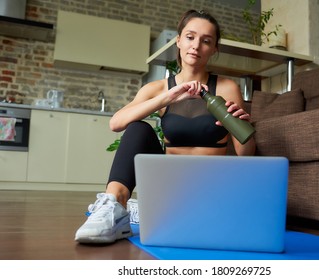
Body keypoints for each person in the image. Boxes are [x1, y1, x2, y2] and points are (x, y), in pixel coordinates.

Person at [75, 9, 256, 243]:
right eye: (190, 37)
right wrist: (168, 98)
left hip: (210, 187)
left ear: (214, 49)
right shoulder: (157, 88)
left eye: (206, 41)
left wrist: (242, 126)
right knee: (138, 128)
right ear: (179, 41)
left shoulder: (227, 88)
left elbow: (246, 155)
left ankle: (152, 211)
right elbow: (116, 123)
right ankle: (114, 206)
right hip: (169, 187)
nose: (196, 45)